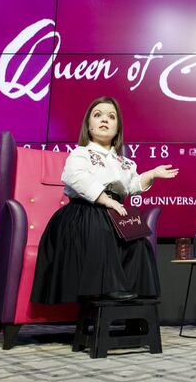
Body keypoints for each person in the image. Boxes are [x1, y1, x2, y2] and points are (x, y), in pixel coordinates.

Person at [31, 96, 178, 303]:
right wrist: (105, 200)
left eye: (111, 117)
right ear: (88, 126)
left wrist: (152, 174)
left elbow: (131, 185)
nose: (104, 120)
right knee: (100, 225)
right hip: (83, 212)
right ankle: (109, 287)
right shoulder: (80, 154)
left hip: (114, 212)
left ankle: (140, 298)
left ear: (117, 128)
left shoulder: (125, 162)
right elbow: (76, 178)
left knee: (138, 241)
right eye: (97, 115)